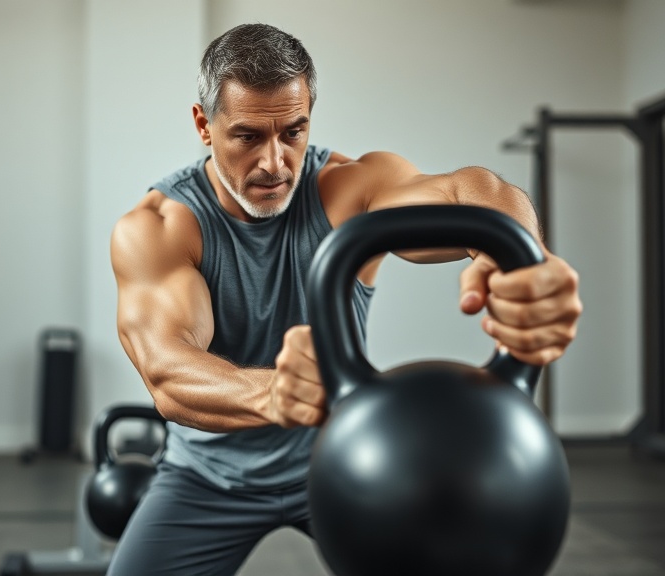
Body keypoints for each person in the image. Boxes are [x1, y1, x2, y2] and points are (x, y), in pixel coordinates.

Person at [108, 23, 582, 576]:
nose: (274, 163)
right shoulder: (160, 227)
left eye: (293, 132)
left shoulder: (347, 188)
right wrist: (273, 393)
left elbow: (467, 190)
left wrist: (523, 259)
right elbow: (168, 371)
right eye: (248, 137)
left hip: (348, 461)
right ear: (203, 125)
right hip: (207, 478)